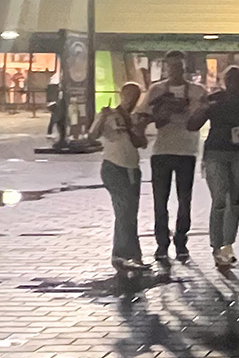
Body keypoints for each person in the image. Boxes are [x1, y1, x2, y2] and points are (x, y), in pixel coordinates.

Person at [134, 51, 207, 262]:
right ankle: (162, 243)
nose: (175, 70)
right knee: (160, 200)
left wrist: (194, 111)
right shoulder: (157, 90)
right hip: (162, 150)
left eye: (179, 66)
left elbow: (201, 117)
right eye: (171, 66)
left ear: (185, 68)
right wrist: (160, 114)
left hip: (186, 150)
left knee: (185, 199)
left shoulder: (196, 90)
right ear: (166, 67)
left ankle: (181, 241)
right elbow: (142, 115)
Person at [188, 65, 239, 268]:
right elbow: (193, 124)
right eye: (230, 78)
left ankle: (227, 244)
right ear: (224, 80)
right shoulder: (214, 100)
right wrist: (203, 108)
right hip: (216, 152)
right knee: (220, 197)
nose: (233, 83)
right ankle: (217, 244)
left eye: (236, 78)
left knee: (234, 198)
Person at [88, 82, 149, 271]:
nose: (131, 99)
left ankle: (132, 254)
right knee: (124, 210)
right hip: (114, 168)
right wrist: (102, 117)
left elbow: (142, 143)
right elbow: (92, 135)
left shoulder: (135, 118)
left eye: (135, 96)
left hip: (132, 169)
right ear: (121, 95)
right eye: (128, 95)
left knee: (131, 212)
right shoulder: (109, 114)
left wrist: (136, 126)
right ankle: (122, 254)